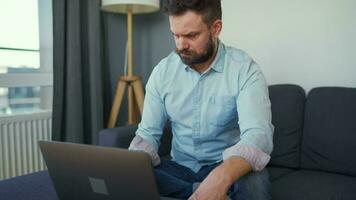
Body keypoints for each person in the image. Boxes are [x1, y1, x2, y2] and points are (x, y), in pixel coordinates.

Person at [129, 0, 274, 199]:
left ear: (216, 28)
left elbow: (258, 135)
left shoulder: (245, 70)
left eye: (191, 35)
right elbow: (148, 134)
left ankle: (201, 190)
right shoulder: (163, 72)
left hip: (224, 164)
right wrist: (133, 163)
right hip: (178, 167)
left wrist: (221, 178)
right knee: (132, 178)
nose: (180, 45)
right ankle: (197, 192)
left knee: (255, 186)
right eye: (175, 35)